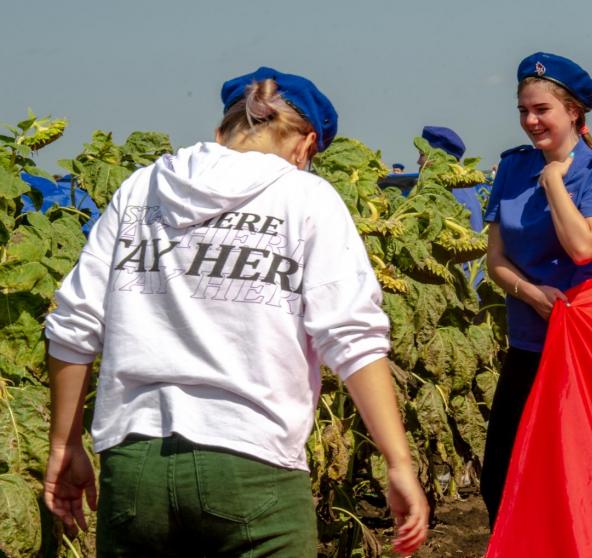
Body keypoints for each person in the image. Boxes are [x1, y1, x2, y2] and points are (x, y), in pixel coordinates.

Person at [42, 67, 429, 556]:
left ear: (221, 132)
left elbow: (74, 324)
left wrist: (64, 445)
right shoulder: (305, 197)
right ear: (306, 145)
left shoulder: (143, 189)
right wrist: (398, 462)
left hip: (136, 462)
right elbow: (352, 336)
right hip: (253, 466)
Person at [481, 51, 592, 528]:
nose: (530, 121)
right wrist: (530, 293)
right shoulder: (510, 168)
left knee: (581, 479)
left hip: (587, 350)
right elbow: (496, 261)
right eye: (523, 110)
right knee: (499, 478)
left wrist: (553, 183)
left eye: (542, 110)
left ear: (574, 112)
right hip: (528, 343)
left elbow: (584, 246)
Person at [419, 125, 484, 232]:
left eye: (422, 155)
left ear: (438, 157)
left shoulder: (455, 189)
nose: (418, 161)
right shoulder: (462, 188)